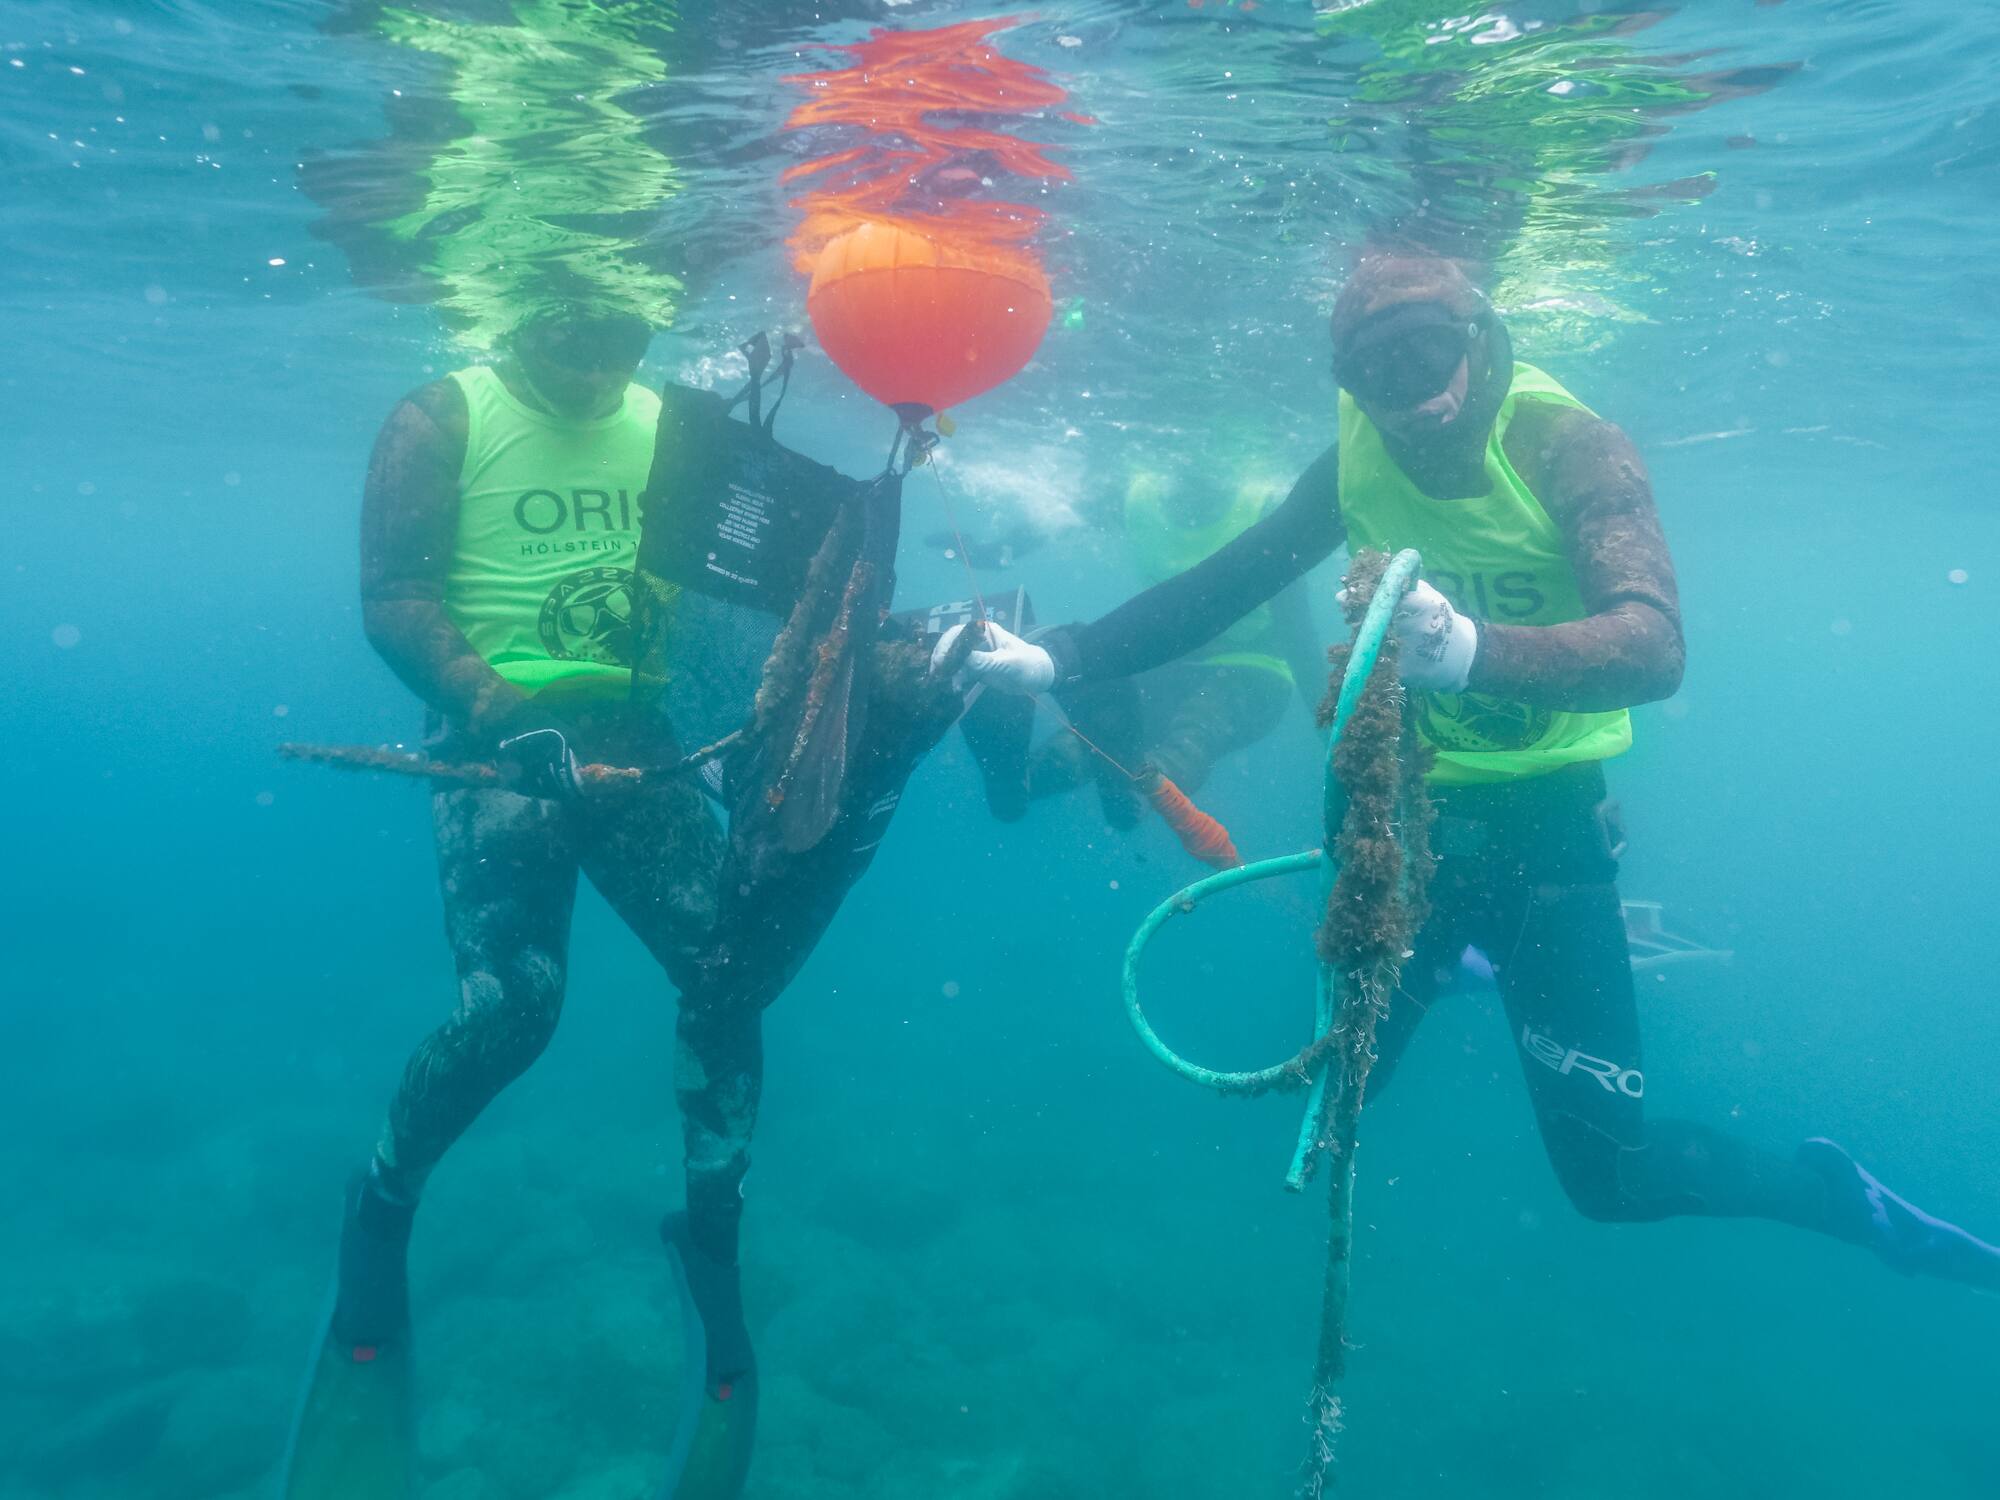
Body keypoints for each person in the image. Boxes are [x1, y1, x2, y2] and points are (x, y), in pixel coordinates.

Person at [937, 251, 2000, 1292]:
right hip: (1409, 821)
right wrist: (1063, 656)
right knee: (1334, 1092)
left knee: (1608, 1177)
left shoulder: (1566, 443)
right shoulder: (1357, 456)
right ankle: (1458, 958)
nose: (1415, 399)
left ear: (1481, 339)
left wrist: (1475, 651)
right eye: (1375, 374)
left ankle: (1836, 1199)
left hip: (1551, 839)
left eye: (1428, 354)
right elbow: (1231, 579)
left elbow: (1652, 647)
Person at [285, 307, 964, 1500]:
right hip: (500, 738)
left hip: (637, 738)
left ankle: (710, 1248)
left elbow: (740, 592)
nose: (601, 363)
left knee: (727, 982)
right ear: (523, 317)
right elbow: (395, 599)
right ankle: (383, 1202)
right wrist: (498, 709)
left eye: (623, 340)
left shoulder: (668, 426)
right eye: (573, 340)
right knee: (515, 1008)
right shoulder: (444, 417)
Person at [1010, 469, 1319, 832]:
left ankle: (1146, 788)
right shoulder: (1139, 497)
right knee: (1100, 726)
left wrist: (1328, 720)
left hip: (1254, 670)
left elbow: (1298, 632)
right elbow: (1065, 513)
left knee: (1200, 725)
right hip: (1169, 664)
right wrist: (1002, 548)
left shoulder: (1264, 507)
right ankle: (1027, 781)